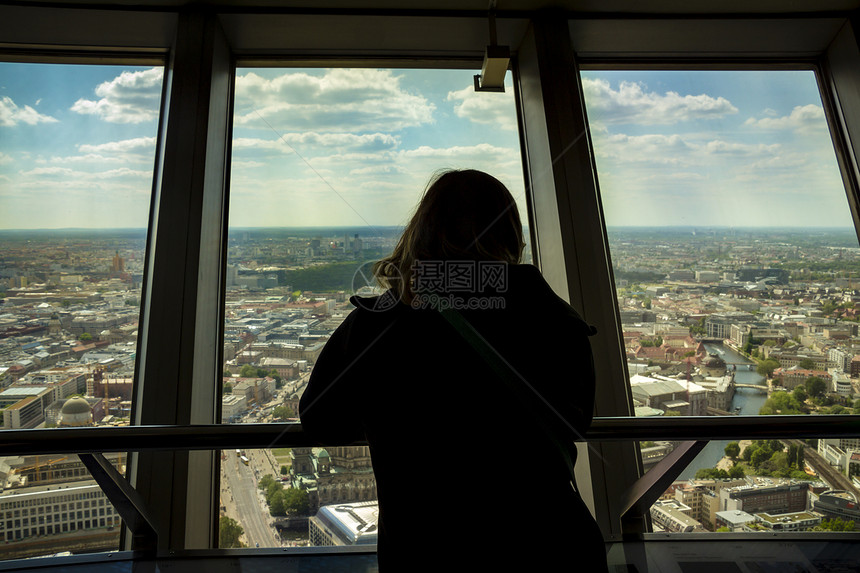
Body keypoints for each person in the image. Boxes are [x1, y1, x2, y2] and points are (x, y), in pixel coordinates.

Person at [299, 169, 607, 571]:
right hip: (550, 547)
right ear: (512, 236)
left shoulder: (377, 326)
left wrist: (391, 420)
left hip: (428, 550)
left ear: (421, 232)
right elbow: (575, 421)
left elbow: (320, 420)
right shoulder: (556, 321)